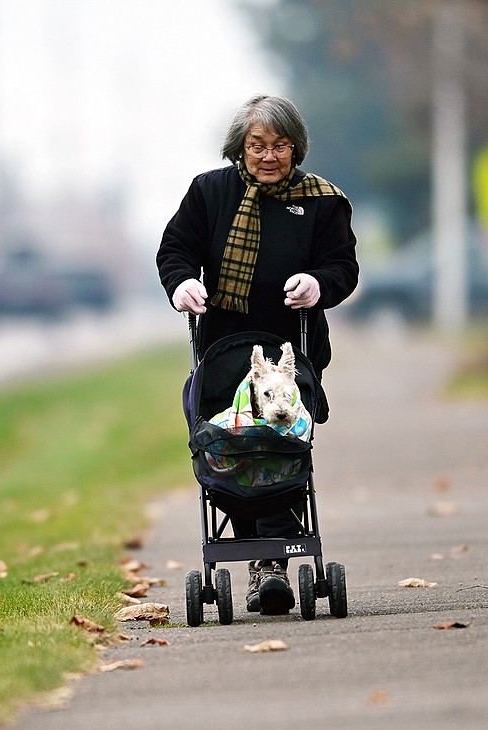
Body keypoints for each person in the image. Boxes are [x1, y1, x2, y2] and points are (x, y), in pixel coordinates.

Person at [156, 93, 359, 615]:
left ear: (297, 148)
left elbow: (342, 267)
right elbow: (175, 250)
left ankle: (268, 563)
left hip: (294, 351)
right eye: (258, 145)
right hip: (223, 352)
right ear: (240, 148)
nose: (269, 157)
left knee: (281, 443)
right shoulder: (210, 192)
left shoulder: (322, 201)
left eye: (281, 146)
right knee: (231, 443)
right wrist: (182, 286)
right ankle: (262, 561)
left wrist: (318, 284)